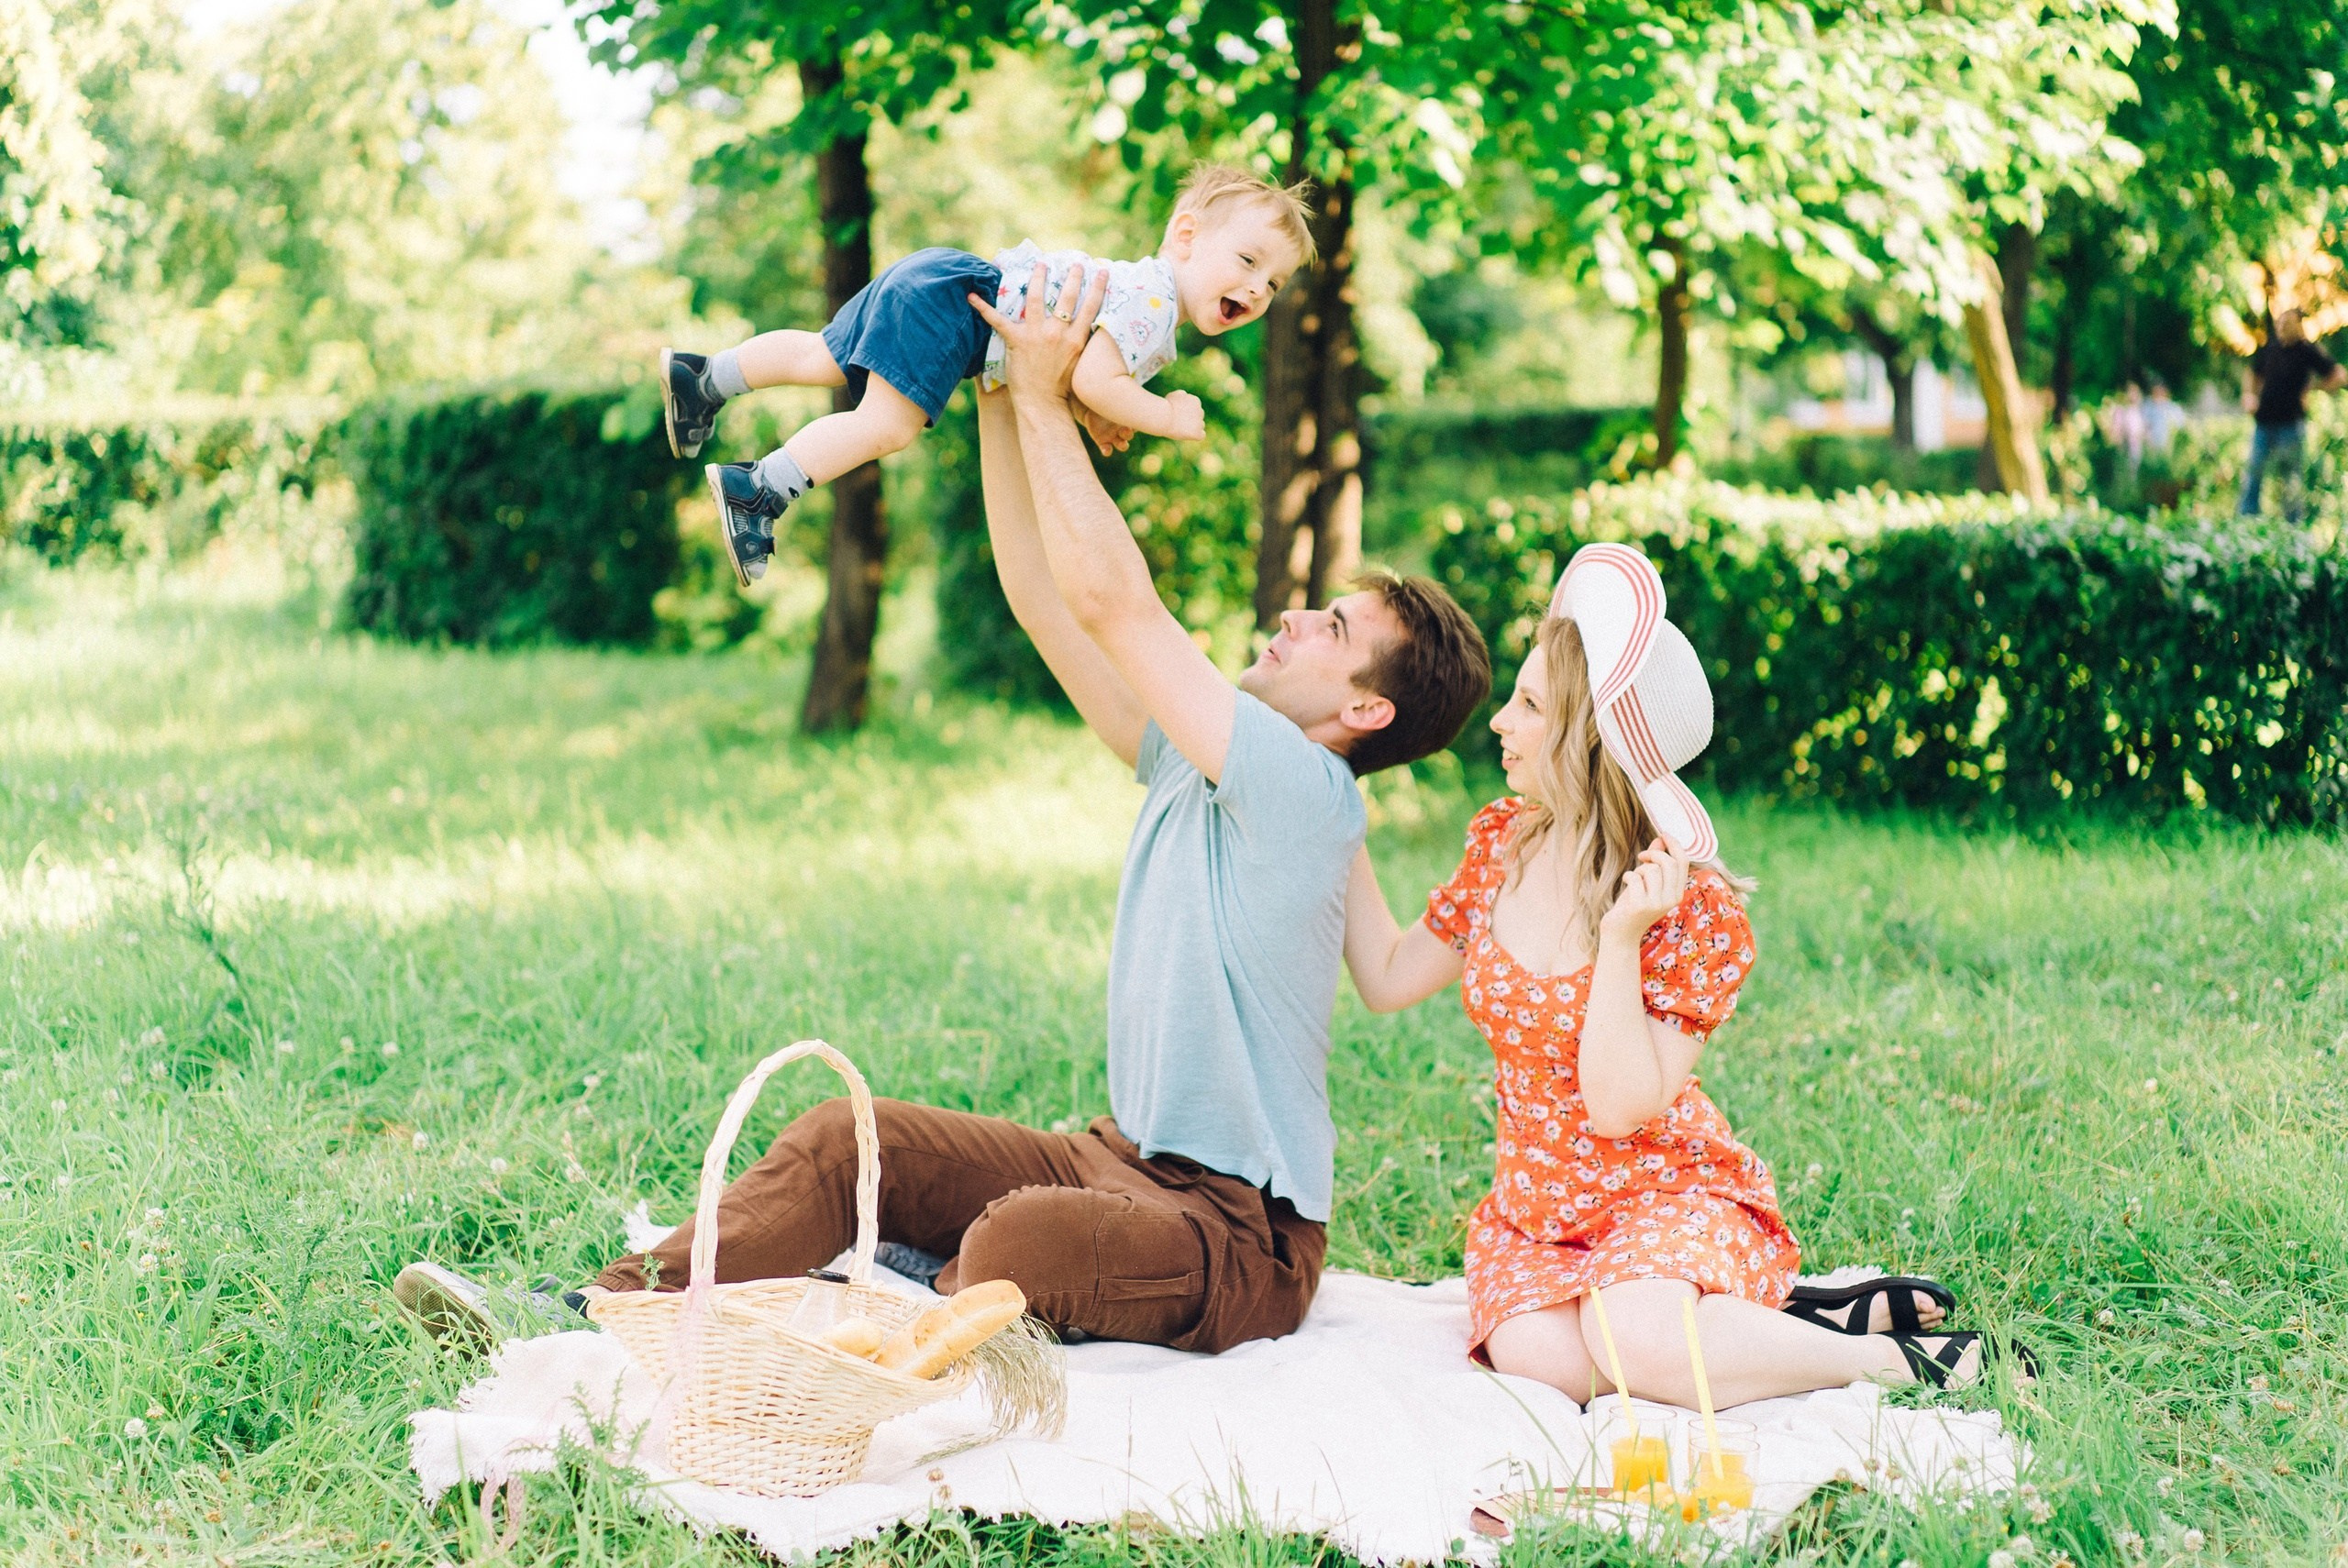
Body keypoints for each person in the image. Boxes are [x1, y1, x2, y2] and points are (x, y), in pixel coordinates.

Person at [397, 263, 1492, 1355]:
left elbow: (1116, 600)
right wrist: (1002, 395)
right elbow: (1045, 599)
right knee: (846, 1143)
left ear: (1363, 707)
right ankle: (592, 1315)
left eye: (1334, 631)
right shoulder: (1197, 760)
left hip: (1239, 1233)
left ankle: (882, 1286)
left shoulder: (1305, 790)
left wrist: (1050, 389)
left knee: (1023, 1244)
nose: (1297, 618)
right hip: (1117, 1159)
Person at [1338, 543, 2024, 1402]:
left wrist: (1621, 939)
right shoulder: (1501, 844)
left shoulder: (1686, 907)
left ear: (1591, 737)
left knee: (1637, 1344)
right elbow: (1389, 977)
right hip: (1540, 1214)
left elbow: (1620, 1106)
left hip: (1663, 1190)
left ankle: (1889, 1360)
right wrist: (1333, 793)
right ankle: (1787, 1320)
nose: (1501, 723)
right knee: (1546, 1364)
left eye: (1528, 705)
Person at [657, 164, 1312, 586]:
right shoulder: (1155, 304)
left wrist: (1100, 412)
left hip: (946, 276)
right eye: (1249, 260)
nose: (1257, 290)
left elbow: (1077, 372)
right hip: (961, 312)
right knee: (886, 425)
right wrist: (1163, 415)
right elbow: (1093, 381)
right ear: (1187, 234)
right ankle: (759, 489)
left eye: (1273, 283)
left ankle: (705, 378)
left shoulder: (1143, 294)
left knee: (821, 357)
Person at [2239, 306, 2345, 522]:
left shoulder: (2308, 351)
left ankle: (2292, 525)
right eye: (2279, 323)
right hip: (2264, 422)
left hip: (2290, 425)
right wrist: (2249, 396)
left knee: (2290, 479)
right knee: (2254, 473)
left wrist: (2314, 390)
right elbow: (2252, 373)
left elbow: (2338, 375)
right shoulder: (2270, 348)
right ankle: (2246, 521)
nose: (2281, 327)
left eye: (2286, 323)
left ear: (2298, 325)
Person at [2143, 378, 2187, 457]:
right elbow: (2143, 426)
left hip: (2171, 449)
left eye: (2161, 391)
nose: (2159, 394)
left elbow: (2182, 427)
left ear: (2166, 392)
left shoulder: (2174, 408)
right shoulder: (2148, 407)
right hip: (2151, 448)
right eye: (2156, 392)